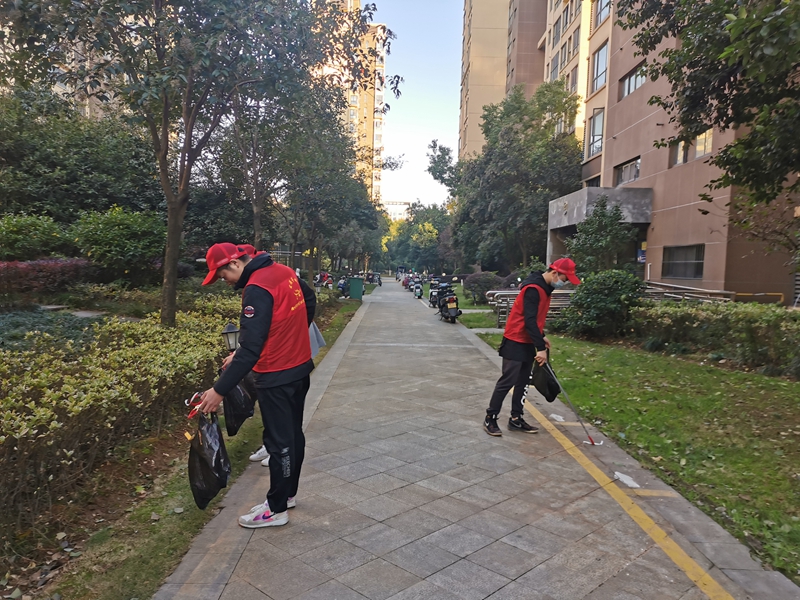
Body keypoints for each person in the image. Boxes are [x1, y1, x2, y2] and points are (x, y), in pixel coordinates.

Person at [196, 243, 316, 528]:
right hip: (299, 368)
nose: (226, 282)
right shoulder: (283, 271)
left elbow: (250, 350)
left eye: (223, 275)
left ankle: (276, 509)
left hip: (276, 376)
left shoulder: (256, 288)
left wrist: (218, 390)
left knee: (279, 443)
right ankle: (287, 495)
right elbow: (309, 300)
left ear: (235, 263)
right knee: (292, 435)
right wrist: (291, 335)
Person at [483, 258, 581, 436]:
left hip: (527, 340)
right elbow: (528, 320)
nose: (564, 283)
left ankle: (516, 419)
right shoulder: (533, 289)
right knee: (507, 381)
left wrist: (541, 336)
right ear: (555, 273)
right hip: (515, 339)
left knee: (523, 382)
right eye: (564, 279)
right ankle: (490, 417)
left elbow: (534, 319)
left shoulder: (545, 287)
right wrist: (540, 348)